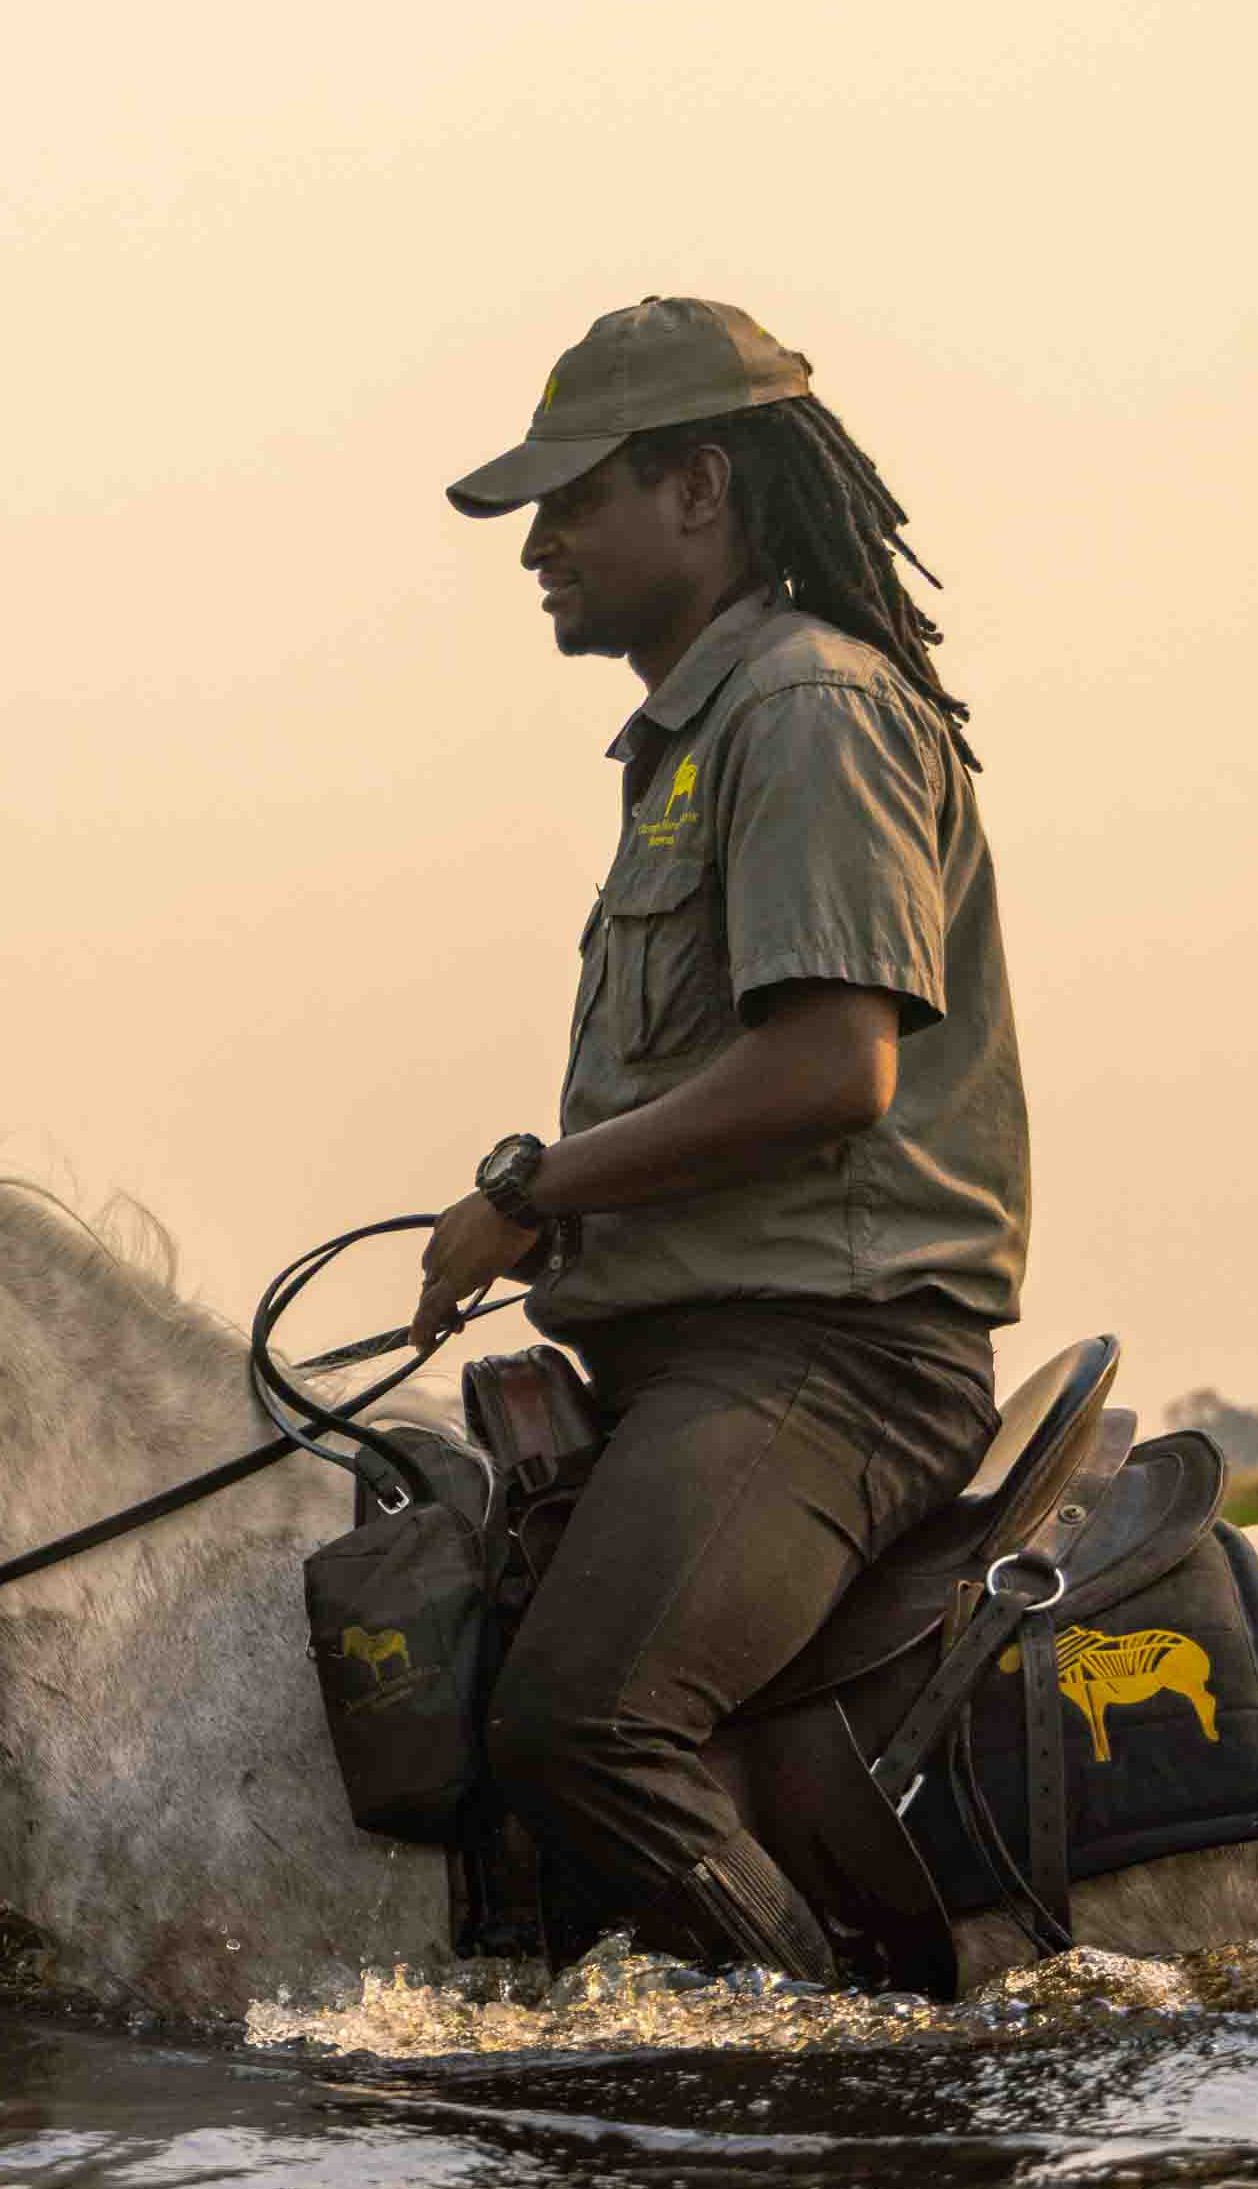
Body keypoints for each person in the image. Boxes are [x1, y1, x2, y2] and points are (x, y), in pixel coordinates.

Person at [408, 298, 1029, 1980]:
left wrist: (531, 1191)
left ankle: (859, 2079)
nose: (540, 540)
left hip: (826, 1359)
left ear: (701, 487)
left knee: (583, 1722)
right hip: (711, 1345)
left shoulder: (811, 709)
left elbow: (835, 1066)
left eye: (574, 496)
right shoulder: (701, 737)